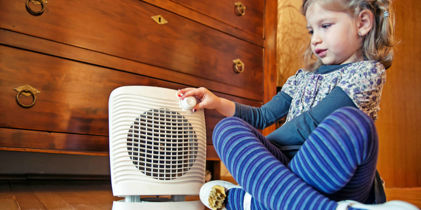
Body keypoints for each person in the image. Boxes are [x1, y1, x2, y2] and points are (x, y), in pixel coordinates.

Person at [178, 0, 418, 209]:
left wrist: (261, 158)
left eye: (325, 26)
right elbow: (262, 117)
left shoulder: (368, 71)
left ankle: (251, 200)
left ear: (362, 23)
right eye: (311, 30)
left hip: (338, 177)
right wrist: (218, 102)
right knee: (227, 129)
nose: (316, 39)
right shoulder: (302, 77)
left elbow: (309, 124)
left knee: (354, 124)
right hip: (285, 165)